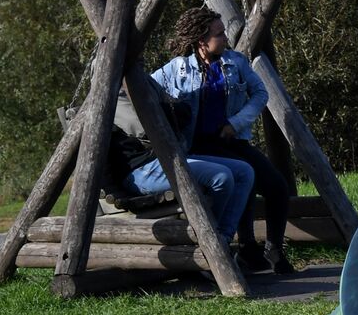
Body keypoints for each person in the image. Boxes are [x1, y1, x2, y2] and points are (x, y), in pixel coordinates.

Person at [153, 6, 294, 273]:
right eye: (219, 34)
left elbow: (260, 94)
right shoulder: (177, 69)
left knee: (276, 186)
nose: (226, 38)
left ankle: (274, 251)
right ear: (201, 41)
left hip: (230, 140)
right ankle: (247, 249)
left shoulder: (235, 63)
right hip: (196, 146)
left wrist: (235, 123)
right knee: (244, 175)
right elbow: (146, 89)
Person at [106, 81, 256, 247]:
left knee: (244, 171)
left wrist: (167, 111)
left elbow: (184, 112)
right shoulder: (111, 90)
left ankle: (222, 239)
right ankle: (210, 241)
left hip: (167, 159)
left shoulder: (143, 79)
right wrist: (168, 110)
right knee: (221, 177)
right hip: (142, 170)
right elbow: (143, 126)